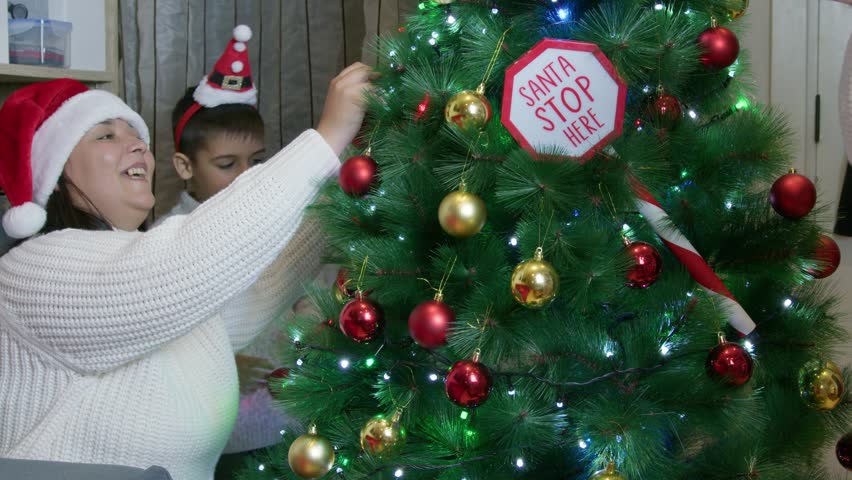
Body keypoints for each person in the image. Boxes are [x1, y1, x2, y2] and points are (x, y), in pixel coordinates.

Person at [0, 50, 373, 480]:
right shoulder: (32, 271)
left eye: (135, 133)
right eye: (106, 136)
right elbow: (187, 264)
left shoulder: (141, 269)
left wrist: (352, 170)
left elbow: (254, 290)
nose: (137, 144)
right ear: (53, 174)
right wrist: (327, 139)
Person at [154, 26, 296, 477]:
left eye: (257, 161)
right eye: (226, 165)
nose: (247, 176)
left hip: (290, 420)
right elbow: (161, 346)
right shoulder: (169, 239)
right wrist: (220, 367)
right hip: (223, 434)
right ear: (185, 166)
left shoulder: (277, 222)